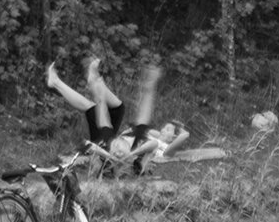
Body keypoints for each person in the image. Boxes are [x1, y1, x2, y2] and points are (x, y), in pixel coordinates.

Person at [47, 59, 189, 175]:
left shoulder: (167, 149)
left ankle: (96, 86)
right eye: (164, 128)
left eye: (168, 130)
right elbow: (148, 124)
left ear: (173, 138)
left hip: (113, 149)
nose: (163, 130)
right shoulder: (147, 136)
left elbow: (183, 136)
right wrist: (151, 86)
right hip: (120, 144)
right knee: (115, 109)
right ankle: (75, 83)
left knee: (104, 113)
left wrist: (179, 129)